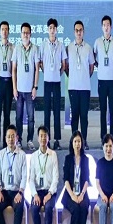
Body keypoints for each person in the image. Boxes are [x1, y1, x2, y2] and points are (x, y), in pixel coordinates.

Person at [0, 125, 26, 224]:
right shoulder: (1, 154)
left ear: (17, 138)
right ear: (5, 138)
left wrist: (20, 193)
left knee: (19, 207)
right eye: (8, 137)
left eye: (13, 136)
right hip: (5, 192)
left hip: (17, 192)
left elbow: (24, 177)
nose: (11, 139)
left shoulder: (22, 154)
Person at [27, 126, 58, 224]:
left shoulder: (53, 154)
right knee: (34, 208)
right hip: (38, 192)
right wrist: (34, 194)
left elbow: (56, 178)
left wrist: (50, 193)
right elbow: (31, 179)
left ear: (48, 138)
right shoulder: (34, 156)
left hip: (50, 191)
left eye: (45, 136)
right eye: (41, 136)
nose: (43, 138)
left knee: (49, 207)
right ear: (38, 138)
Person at [13, 22, 40, 150]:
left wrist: (35, 87)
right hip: (19, 90)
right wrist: (14, 88)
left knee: (31, 117)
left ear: (30, 34)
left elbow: (37, 69)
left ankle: (29, 140)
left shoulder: (35, 49)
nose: (25, 35)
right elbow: (13, 69)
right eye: (23, 33)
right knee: (18, 117)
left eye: (27, 33)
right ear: (20, 34)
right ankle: (18, 140)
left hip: (30, 90)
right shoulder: (17, 49)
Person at [94, 15, 113, 145]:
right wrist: (100, 67)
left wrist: (111, 68)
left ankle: (112, 136)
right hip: (101, 80)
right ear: (101, 27)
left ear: (111, 27)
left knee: (112, 109)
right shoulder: (97, 42)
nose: (106, 27)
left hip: (112, 80)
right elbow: (93, 58)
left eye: (108, 25)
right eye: (104, 25)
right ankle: (103, 137)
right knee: (103, 109)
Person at [62, 131, 91, 224]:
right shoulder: (68, 159)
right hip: (70, 194)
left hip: (82, 192)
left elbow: (86, 179)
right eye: (75, 141)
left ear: (82, 143)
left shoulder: (85, 159)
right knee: (75, 208)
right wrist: (73, 195)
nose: (77, 144)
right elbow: (66, 180)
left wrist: (82, 194)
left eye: (79, 141)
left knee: (83, 207)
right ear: (72, 143)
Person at [64, 20, 93, 141]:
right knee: (75, 116)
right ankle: (74, 140)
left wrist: (84, 76)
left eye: (80, 30)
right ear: (74, 32)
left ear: (83, 32)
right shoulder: (69, 48)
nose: (79, 32)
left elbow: (91, 67)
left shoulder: (88, 48)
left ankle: (84, 140)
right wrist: (72, 77)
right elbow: (65, 66)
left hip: (85, 88)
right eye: (76, 30)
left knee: (84, 116)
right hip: (73, 87)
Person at [41, 19, 65, 150]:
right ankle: (47, 139)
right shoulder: (43, 45)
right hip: (47, 82)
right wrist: (47, 72)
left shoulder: (60, 45)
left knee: (56, 111)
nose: (52, 30)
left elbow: (64, 65)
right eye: (50, 28)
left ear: (56, 30)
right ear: (47, 29)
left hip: (56, 82)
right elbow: (40, 62)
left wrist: (57, 73)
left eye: (54, 28)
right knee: (46, 112)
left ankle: (57, 140)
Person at [0, 20, 14, 150]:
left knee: (7, 115)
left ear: (9, 31)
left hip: (9, 83)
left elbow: (15, 69)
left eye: (6, 29)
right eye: (2, 29)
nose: (4, 32)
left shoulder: (13, 48)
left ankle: (6, 143)